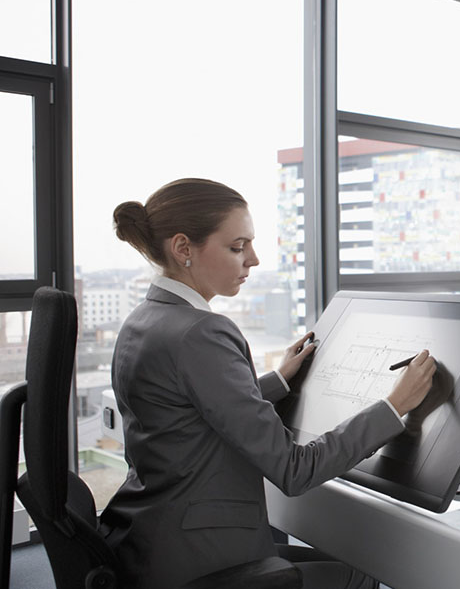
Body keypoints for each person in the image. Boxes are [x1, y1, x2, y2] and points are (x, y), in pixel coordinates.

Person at [100, 178, 437, 589]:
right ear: (184, 248)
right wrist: (395, 405)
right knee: (361, 572)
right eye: (237, 247)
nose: (254, 260)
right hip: (198, 558)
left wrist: (278, 379)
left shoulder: (144, 320)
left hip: (148, 540)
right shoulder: (202, 332)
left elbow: (196, 414)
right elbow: (295, 471)